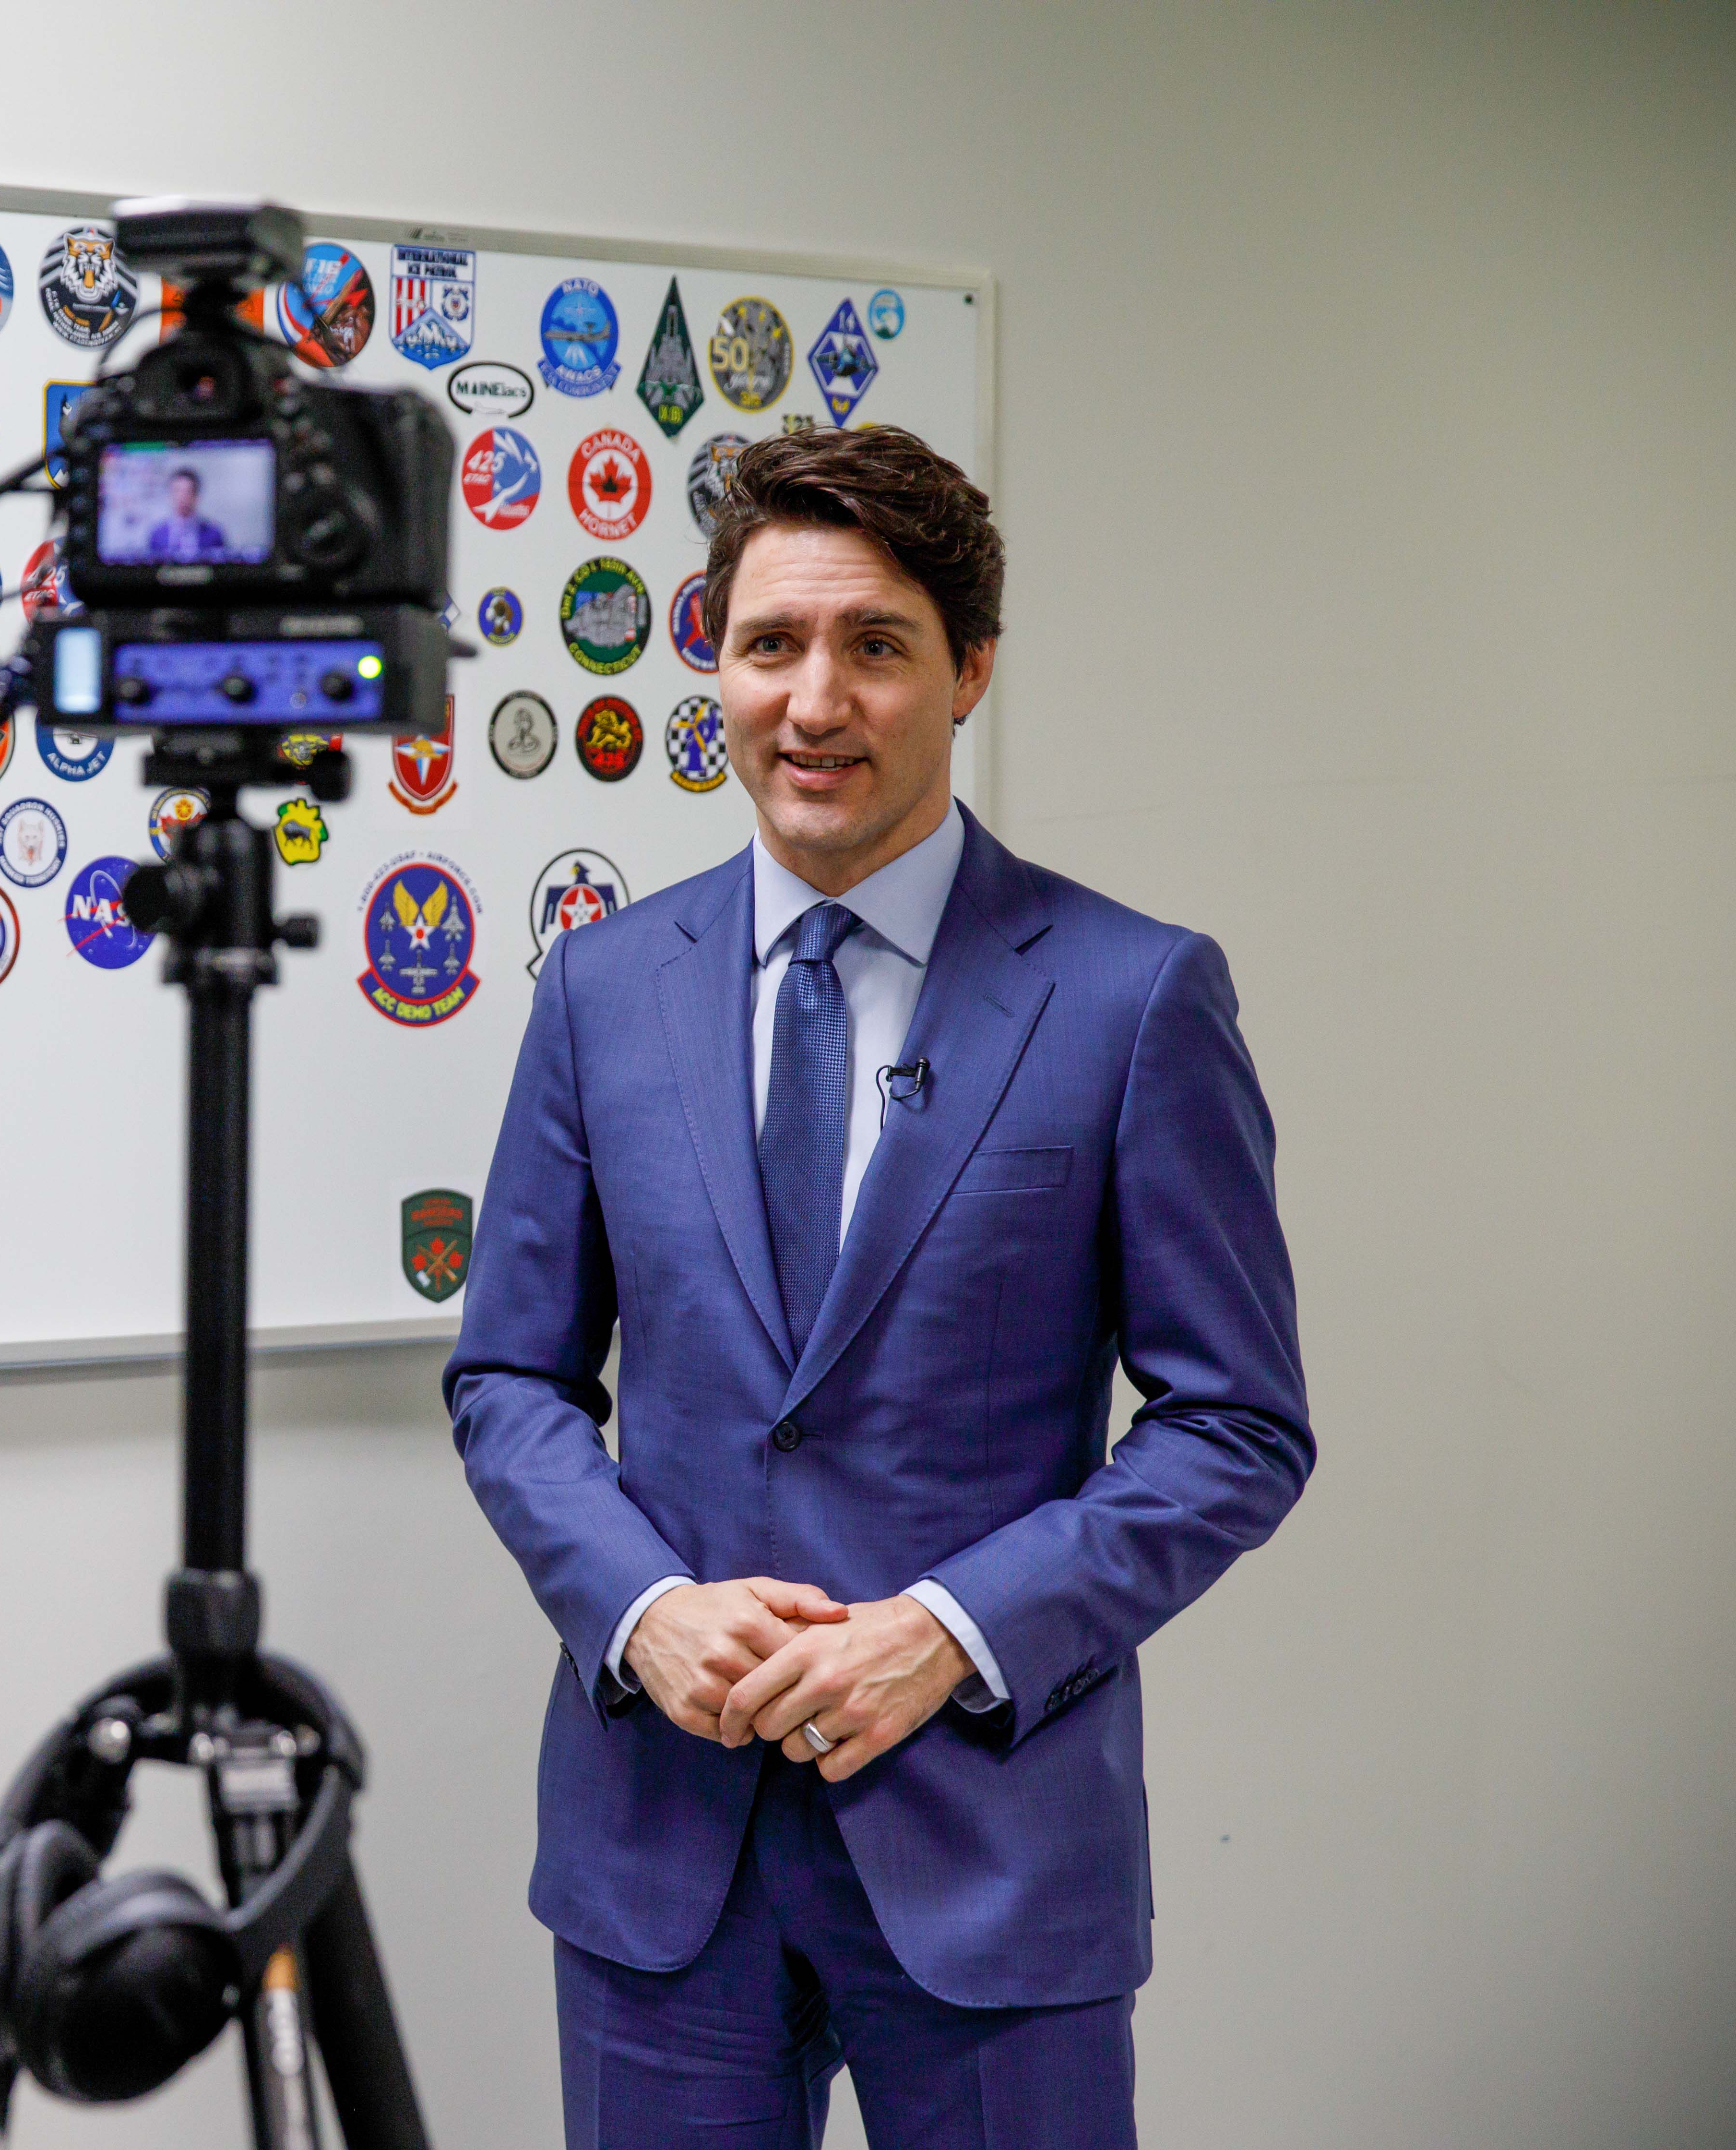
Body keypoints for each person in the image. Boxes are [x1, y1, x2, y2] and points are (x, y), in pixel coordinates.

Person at [446, 427, 1310, 2149]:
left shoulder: (1132, 998)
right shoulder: (600, 990)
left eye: (872, 645)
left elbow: (1231, 1425)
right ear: (712, 659)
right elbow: (508, 1381)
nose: (811, 701)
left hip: (990, 1846)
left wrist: (952, 1631)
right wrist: (639, 1609)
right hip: (659, 1856)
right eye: (767, 645)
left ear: (966, 667)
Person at [146, 467, 231, 561]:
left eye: (188, 492)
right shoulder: (157, 535)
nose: (182, 497)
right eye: (177, 491)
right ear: (170, 494)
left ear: (196, 496)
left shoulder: (214, 534)